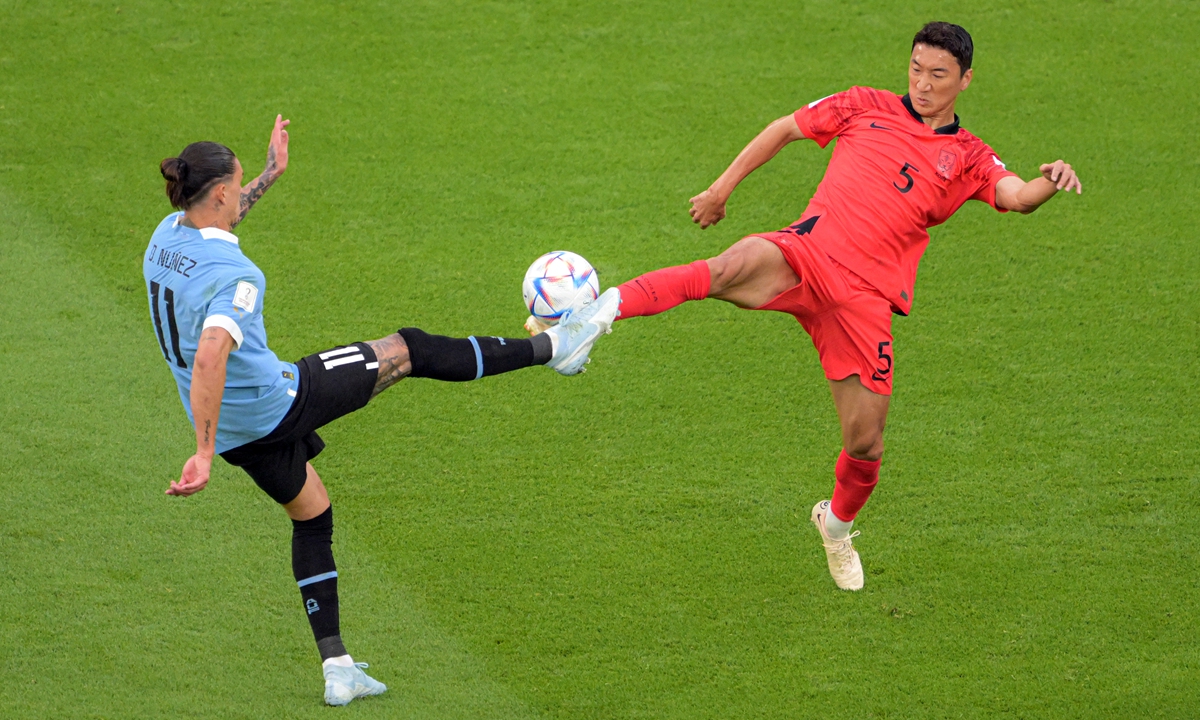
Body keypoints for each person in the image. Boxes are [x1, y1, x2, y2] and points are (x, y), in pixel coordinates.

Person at [145, 117, 621, 706]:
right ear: (219, 192)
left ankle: (338, 667)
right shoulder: (239, 277)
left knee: (313, 515)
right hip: (279, 402)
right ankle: (555, 346)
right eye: (239, 185)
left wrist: (271, 173)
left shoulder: (166, 235)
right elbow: (214, 352)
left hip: (239, 434)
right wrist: (199, 449)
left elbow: (223, 228)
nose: (242, 196)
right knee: (409, 349)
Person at [600, 22, 1081, 590]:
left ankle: (835, 525)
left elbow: (1016, 196)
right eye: (916, 69)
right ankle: (597, 313)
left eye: (939, 75)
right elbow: (785, 128)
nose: (923, 85)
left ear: (966, 80)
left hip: (865, 302)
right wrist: (721, 189)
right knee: (723, 269)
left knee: (865, 442)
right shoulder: (862, 105)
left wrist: (1049, 180)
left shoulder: (969, 156)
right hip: (807, 253)